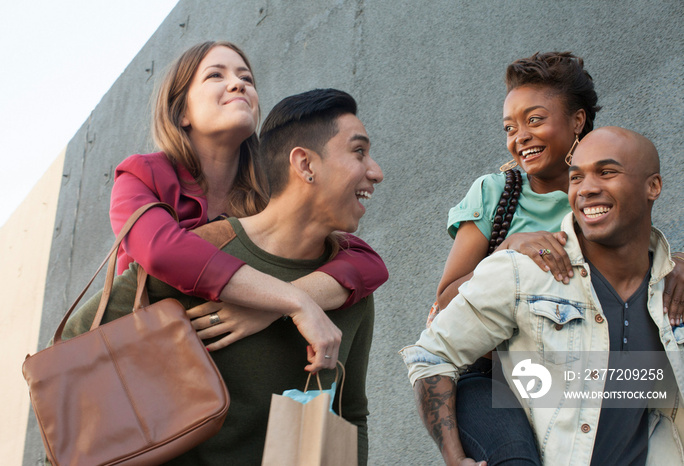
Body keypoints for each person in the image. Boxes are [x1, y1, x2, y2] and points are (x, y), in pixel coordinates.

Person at [63, 88, 382, 464]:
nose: (376, 171)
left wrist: (277, 305)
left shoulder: (349, 286)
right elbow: (73, 350)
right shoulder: (202, 256)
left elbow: (350, 412)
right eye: (359, 152)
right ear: (305, 165)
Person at [428, 52, 684, 463]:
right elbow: (445, 302)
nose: (520, 137)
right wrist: (510, 249)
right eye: (510, 127)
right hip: (495, 374)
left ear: (578, 122)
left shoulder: (606, 196)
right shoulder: (496, 193)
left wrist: (676, 265)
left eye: (534, 120)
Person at [109, 41, 388, 372]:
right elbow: (161, 252)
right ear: (181, 111)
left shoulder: (269, 191)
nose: (238, 83)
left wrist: (267, 307)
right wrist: (295, 301)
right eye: (216, 75)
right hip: (144, 364)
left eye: (247, 78)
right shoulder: (142, 175)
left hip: (228, 372)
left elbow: (366, 262)